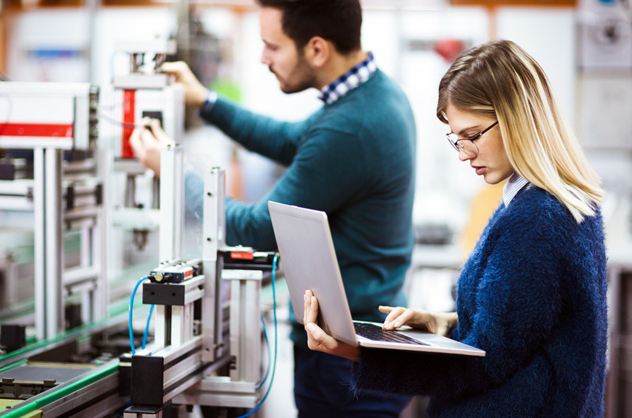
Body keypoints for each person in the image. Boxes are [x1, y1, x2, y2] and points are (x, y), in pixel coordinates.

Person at [129, 0, 417, 416]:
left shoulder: (350, 127)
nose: (263, 58)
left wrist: (169, 169)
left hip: (345, 361)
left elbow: (253, 230)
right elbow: (288, 138)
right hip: (358, 347)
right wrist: (206, 102)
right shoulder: (375, 95)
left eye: (272, 46)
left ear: (317, 49)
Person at [303, 39, 608, 417]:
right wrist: (444, 324)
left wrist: (352, 350)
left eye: (473, 135)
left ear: (517, 117)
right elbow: (524, 330)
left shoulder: (537, 221)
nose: (464, 153)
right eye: (456, 140)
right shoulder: (558, 201)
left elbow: (483, 364)